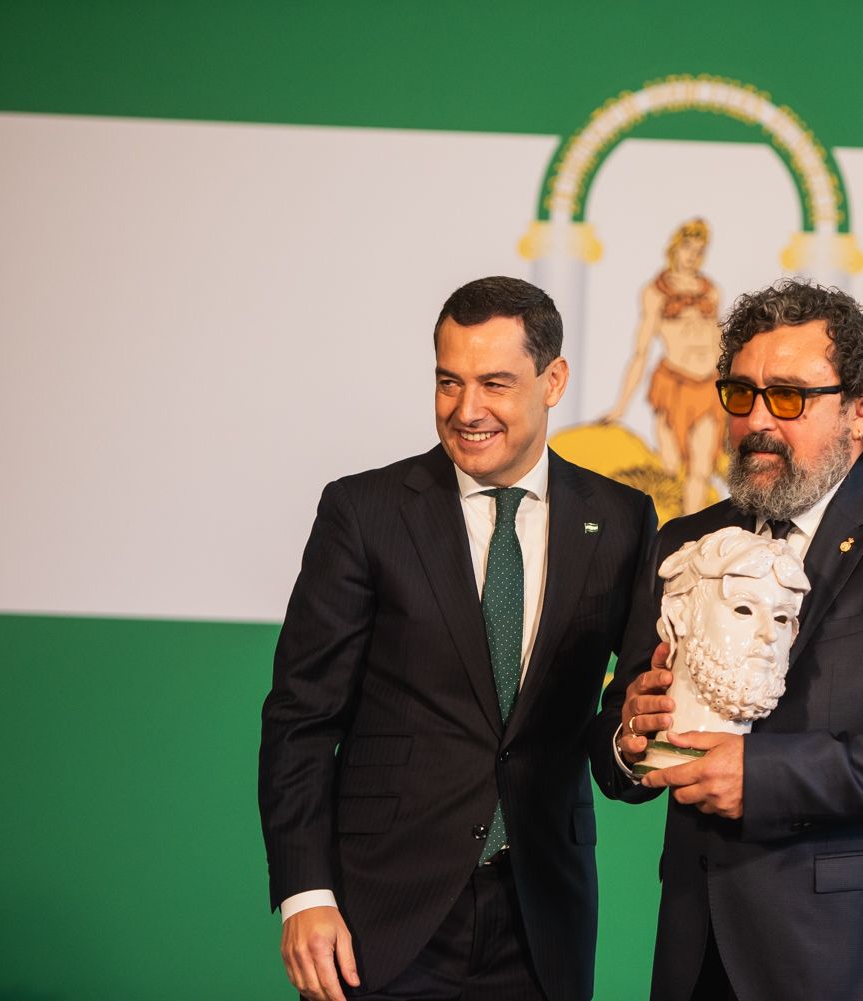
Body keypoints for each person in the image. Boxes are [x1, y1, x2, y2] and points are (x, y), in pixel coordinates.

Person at [590, 279, 863, 1001]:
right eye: (741, 393)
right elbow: (616, 726)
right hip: (700, 950)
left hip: (860, 956)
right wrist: (629, 739)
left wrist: (764, 776)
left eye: (788, 397)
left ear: (860, 409)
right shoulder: (685, 540)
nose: (757, 420)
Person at [260, 276, 656, 1001]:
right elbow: (301, 718)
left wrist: (634, 745)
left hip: (543, 919)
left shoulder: (624, 518)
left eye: (494, 383)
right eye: (449, 381)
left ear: (553, 380)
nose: (466, 410)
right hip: (379, 914)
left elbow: (622, 715)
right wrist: (304, 894)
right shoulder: (365, 511)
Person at [601, 218, 726, 515]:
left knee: (700, 469)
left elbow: (720, 343)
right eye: (688, 248)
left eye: (700, 250)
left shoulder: (711, 290)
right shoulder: (655, 292)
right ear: (675, 247)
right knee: (670, 468)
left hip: (707, 385)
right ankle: (666, 532)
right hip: (673, 384)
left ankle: (691, 534)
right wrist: (620, 407)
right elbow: (641, 351)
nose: (693, 256)